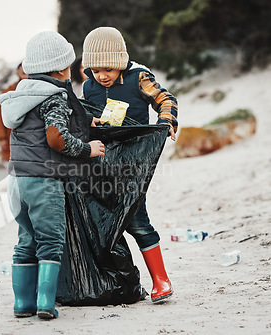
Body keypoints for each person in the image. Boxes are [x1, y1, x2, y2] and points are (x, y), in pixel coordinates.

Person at [0, 31, 105, 319]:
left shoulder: (22, 94)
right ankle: (45, 303)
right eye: (68, 64)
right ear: (59, 68)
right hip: (44, 180)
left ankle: (22, 305)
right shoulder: (54, 95)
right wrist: (87, 149)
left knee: (26, 240)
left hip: (17, 181)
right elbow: (56, 138)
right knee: (50, 241)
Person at [82, 27, 178, 302]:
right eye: (95, 70)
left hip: (135, 162)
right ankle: (112, 282)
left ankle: (162, 281)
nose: (102, 76)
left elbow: (165, 99)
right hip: (103, 162)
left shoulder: (139, 78)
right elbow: (88, 117)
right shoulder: (90, 86)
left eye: (108, 69)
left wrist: (166, 122)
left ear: (120, 62)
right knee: (104, 222)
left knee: (137, 220)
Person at [0, 63, 28, 163]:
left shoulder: (38, 89)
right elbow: (0, 117)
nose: (24, 73)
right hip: (12, 135)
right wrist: (2, 138)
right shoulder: (8, 92)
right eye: (22, 71)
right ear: (17, 73)